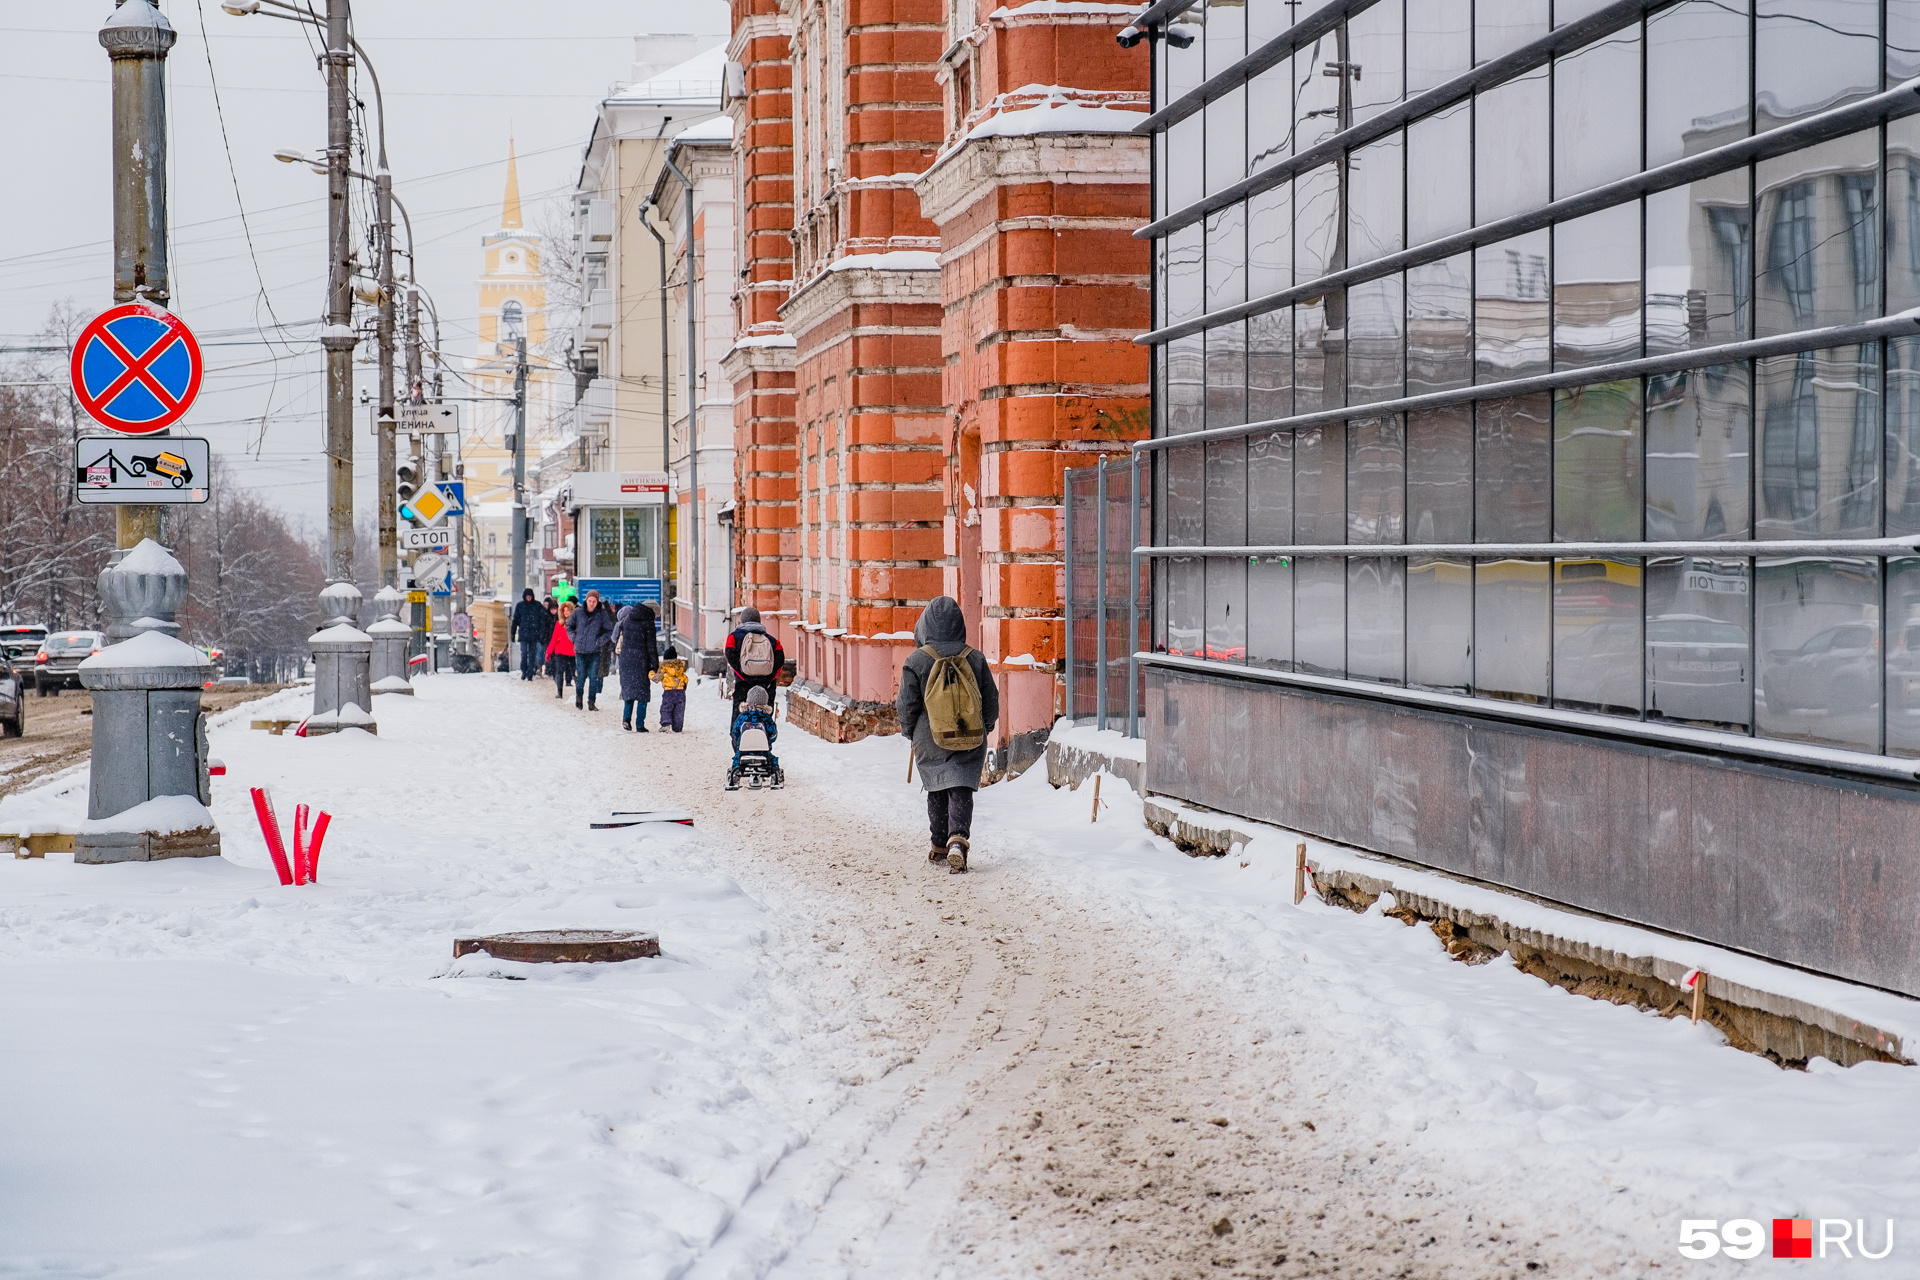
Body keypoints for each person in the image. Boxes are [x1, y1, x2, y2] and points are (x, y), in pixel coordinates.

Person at [896, 595, 998, 874]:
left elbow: (907, 704)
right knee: (961, 785)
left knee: (936, 787)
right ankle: (958, 840)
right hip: (969, 732)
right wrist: (984, 728)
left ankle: (939, 844)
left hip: (930, 735)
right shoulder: (975, 658)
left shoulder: (917, 660)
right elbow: (991, 699)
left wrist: (910, 732)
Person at [724, 606, 786, 714]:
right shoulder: (772, 641)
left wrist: (744, 675)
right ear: (759, 620)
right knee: (765, 718)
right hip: (767, 687)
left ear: (742, 620)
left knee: (740, 718)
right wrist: (768, 679)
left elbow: (730, 656)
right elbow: (780, 660)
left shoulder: (733, 638)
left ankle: (736, 731)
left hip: (742, 685)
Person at [566, 588, 616, 710]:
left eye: (594, 601)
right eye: (590, 600)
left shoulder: (601, 614)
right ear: (586, 600)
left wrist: (599, 641)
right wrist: (574, 638)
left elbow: (609, 630)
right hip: (580, 650)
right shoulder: (578, 612)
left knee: (593, 677)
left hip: (594, 650)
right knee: (581, 676)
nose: (592, 603)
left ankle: (591, 702)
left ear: (597, 602)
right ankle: (579, 698)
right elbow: (569, 626)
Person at [616, 600, 660, 731]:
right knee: (642, 694)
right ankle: (640, 724)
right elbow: (651, 646)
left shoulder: (628, 618)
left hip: (626, 659)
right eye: (657, 614)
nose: (657, 617)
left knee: (629, 692)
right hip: (641, 660)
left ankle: (626, 719)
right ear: (652, 611)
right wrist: (654, 664)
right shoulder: (648, 622)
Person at [731, 684, 778, 767]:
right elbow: (773, 732)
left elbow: (735, 731)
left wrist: (738, 739)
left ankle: (736, 770)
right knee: (772, 760)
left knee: (737, 759)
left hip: (743, 750)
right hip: (763, 751)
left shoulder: (743, 717)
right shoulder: (766, 718)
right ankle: (776, 772)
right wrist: (769, 740)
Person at [509, 588, 545, 681]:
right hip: (524, 634)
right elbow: (515, 620)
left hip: (534, 634)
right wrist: (512, 633)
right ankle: (524, 671)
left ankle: (530, 672)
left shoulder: (537, 606)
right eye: (527, 596)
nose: (529, 598)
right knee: (524, 654)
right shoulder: (520, 606)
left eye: (530, 596)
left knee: (532, 654)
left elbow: (542, 620)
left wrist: (541, 633)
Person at [544, 601, 577, 699]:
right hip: (560, 651)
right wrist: (549, 652)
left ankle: (578, 691)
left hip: (572, 651)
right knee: (559, 671)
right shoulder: (559, 624)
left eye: (568, 610)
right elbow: (554, 639)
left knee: (574, 672)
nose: (566, 613)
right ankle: (559, 691)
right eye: (564, 611)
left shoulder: (576, 625)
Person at [657, 644, 688, 733]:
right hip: (680, 692)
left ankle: (666, 724)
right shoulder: (680, 668)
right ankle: (677, 727)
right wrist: (683, 687)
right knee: (679, 710)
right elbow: (685, 679)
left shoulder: (664, 669)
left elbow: (657, 678)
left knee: (666, 708)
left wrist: (650, 673)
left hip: (669, 692)